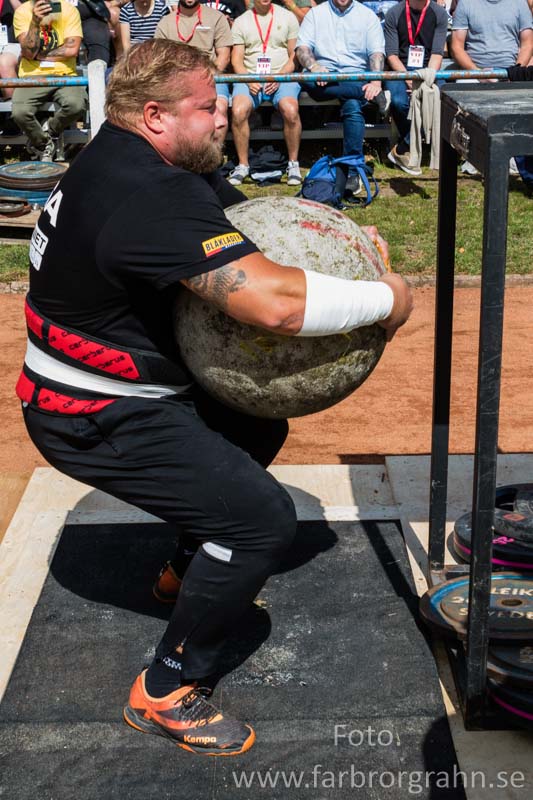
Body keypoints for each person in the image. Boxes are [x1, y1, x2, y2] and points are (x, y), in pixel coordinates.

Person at [17, 39, 412, 757]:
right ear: (157, 114)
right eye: (207, 107)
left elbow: (248, 228)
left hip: (101, 385)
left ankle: (183, 569)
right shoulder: (149, 193)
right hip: (91, 415)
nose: (222, 115)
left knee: (255, 429)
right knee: (260, 522)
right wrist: (384, 295)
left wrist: (334, 239)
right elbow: (276, 308)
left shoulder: (129, 156)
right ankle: (166, 689)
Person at [295, 0, 387, 192]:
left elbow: (376, 53)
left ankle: (353, 171)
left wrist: (376, 83)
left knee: (353, 106)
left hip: (355, 75)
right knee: (305, 77)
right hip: (323, 75)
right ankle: (365, 95)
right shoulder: (315, 14)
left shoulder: (367, 15)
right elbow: (302, 49)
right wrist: (315, 67)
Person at [450, 0, 533, 175]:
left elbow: (527, 43)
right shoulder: (466, 4)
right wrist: (478, 73)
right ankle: (471, 153)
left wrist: (515, 71)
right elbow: (457, 47)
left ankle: (518, 156)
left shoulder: (519, 4)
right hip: (474, 72)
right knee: (462, 97)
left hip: (511, 71)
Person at [229, 0, 303, 186]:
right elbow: (236, 60)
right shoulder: (241, 21)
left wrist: (279, 76)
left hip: (281, 75)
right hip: (250, 77)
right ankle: (243, 164)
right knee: (238, 111)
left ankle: (293, 164)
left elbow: (294, 55)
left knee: (291, 110)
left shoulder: (287, 17)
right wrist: (248, 79)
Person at [12, 0, 87, 160]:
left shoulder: (68, 10)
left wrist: (39, 55)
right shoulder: (23, 12)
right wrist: (35, 21)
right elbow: (28, 51)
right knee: (20, 113)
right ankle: (44, 143)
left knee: (76, 105)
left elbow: (72, 49)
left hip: (65, 74)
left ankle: (48, 131)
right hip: (32, 75)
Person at [384, 0, 449, 176]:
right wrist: (409, 80)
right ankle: (411, 148)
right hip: (399, 70)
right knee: (399, 102)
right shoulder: (394, 13)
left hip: (429, 70)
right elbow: (392, 55)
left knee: (440, 100)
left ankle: (403, 148)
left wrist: (424, 81)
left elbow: (436, 54)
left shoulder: (439, 14)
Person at [155, 0, 233, 123]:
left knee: (220, 109)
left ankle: (216, 142)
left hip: (210, 77)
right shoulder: (165, 23)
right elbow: (161, 59)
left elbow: (224, 55)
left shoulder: (216, 17)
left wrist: (208, 76)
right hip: (177, 79)